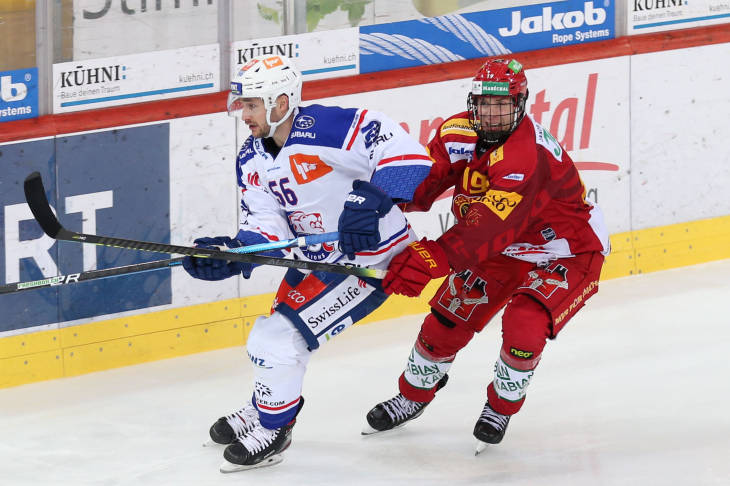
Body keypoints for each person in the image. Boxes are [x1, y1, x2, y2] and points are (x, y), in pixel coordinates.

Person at [181, 54, 432, 471]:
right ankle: (267, 405)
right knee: (281, 339)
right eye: (242, 105)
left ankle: (275, 431)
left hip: (368, 261)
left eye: (252, 105)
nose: (244, 115)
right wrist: (234, 253)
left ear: (281, 103)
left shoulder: (328, 127)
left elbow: (410, 157)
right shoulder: (250, 157)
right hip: (316, 262)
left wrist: (369, 200)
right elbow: (268, 226)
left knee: (275, 339)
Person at [362, 58, 610, 453]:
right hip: (501, 249)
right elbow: (424, 179)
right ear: (472, 102)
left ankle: (501, 407)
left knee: (524, 322)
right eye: (484, 104)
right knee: (446, 321)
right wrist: (376, 200)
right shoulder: (455, 131)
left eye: (502, 105)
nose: (492, 115)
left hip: (564, 250)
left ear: (521, 104)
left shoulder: (524, 157)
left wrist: (434, 256)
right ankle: (413, 396)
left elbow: (488, 227)